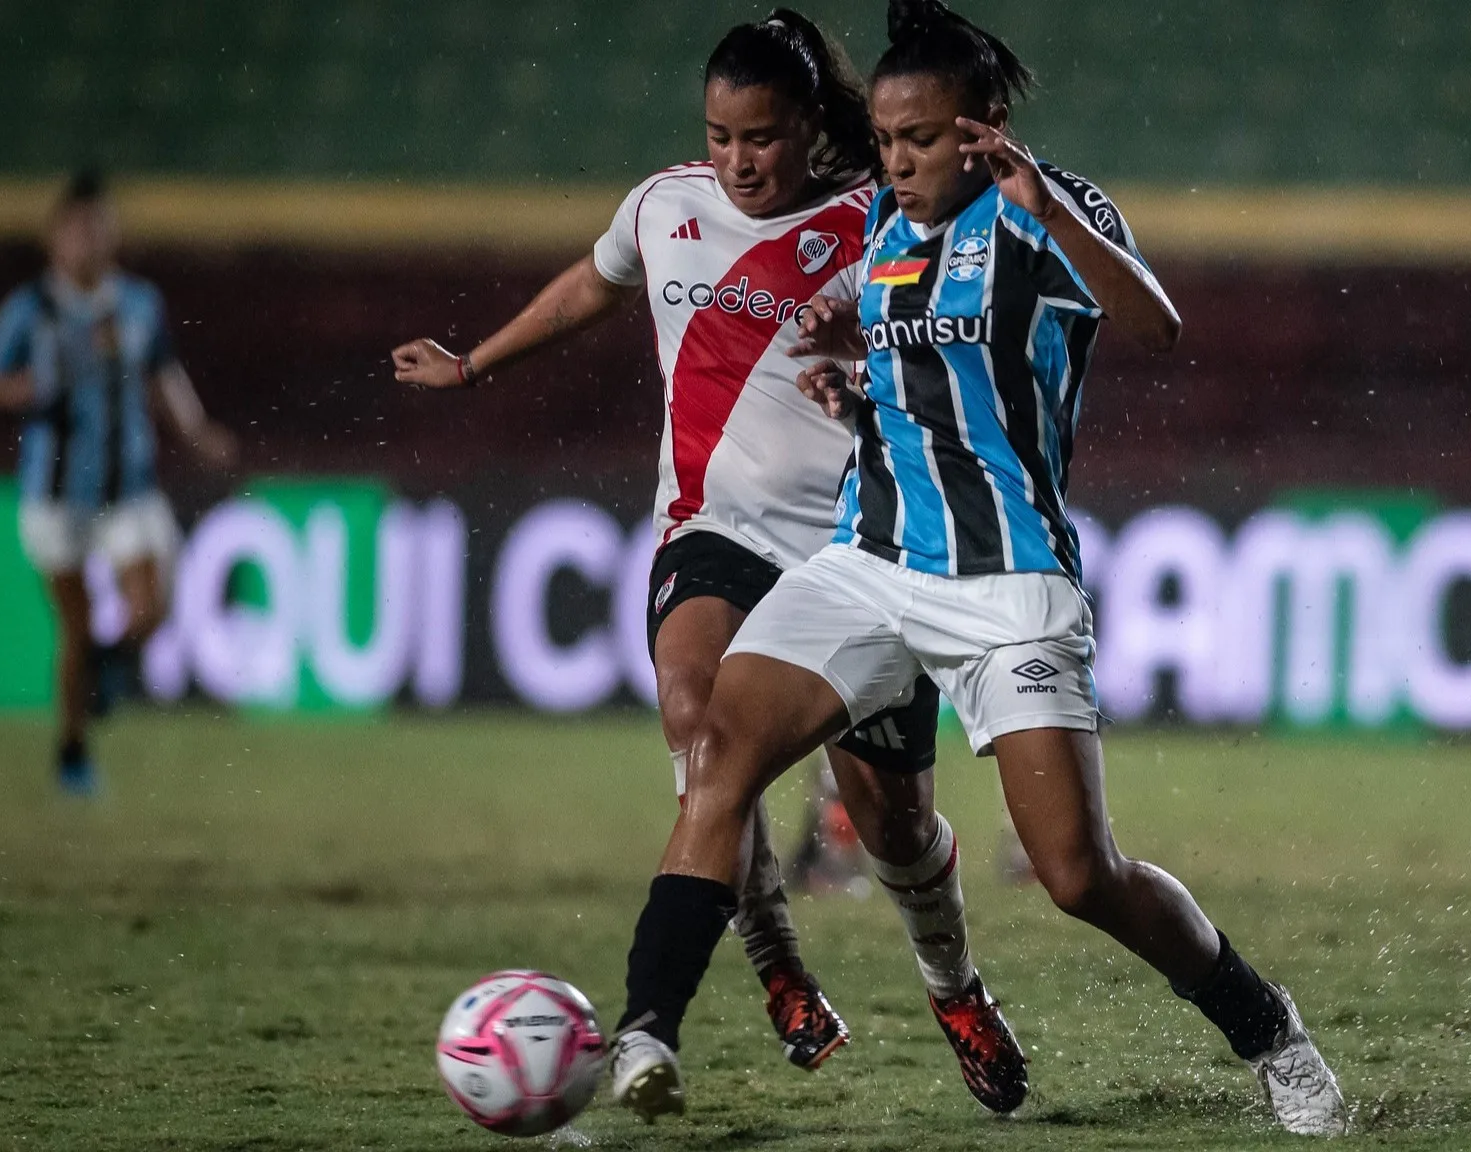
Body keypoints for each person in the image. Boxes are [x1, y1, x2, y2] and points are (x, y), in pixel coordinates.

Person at [607, 0, 1347, 1136]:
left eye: (919, 140)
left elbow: (1156, 329)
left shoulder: (1041, 216)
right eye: (888, 141)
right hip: (868, 562)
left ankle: (1267, 1029)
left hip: (1006, 584)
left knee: (1076, 875)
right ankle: (645, 1036)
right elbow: (907, 357)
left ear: (982, 132)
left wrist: (1045, 203)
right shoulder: (885, 233)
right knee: (716, 747)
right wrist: (851, 383)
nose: (895, 162)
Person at [390, 9, 1022, 1105]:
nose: (737, 162)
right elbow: (594, 283)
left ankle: (953, 983)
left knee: (896, 825)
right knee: (697, 730)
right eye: (720, 138)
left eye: (762, 139)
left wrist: (864, 362)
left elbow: (946, 333)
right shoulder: (662, 206)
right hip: (711, 531)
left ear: (807, 127)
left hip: (856, 548)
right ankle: (772, 966)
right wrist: (475, 364)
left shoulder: (877, 216)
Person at [0, 169, 236, 796]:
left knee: (153, 604)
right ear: (55, 238)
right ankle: (73, 749)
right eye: (78, 229)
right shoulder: (29, 309)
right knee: (76, 629)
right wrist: (22, 390)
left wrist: (196, 431)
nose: (89, 239)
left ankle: (110, 668)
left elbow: (164, 375)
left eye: (98, 227)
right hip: (55, 494)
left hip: (128, 485)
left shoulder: (138, 303)